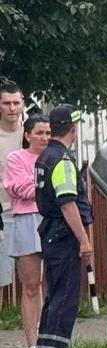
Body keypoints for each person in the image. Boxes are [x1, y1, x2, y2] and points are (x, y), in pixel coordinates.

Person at [31, 104, 93, 348]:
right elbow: (68, 205)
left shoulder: (44, 157)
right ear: (73, 129)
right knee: (65, 299)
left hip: (49, 233)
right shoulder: (63, 162)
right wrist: (84, 240)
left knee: (54, 297)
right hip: (64, 235)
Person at [2, 113, 50, 348]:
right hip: (26, 219)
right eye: (39, 133)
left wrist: (40, 187)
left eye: (48, 133)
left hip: (53, 218)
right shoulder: (16, 158)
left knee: (52, 282)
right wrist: (47, 187)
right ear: (27, 134)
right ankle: (32, 345)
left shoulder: (56, 157)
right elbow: (19, 187)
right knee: (30, 284)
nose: (44, 137)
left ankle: (50, 338)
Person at [0, 81, 26, 310]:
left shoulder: (31, 134)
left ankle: (36, 329)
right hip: (3, 214)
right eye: (6, 103)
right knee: (0, 278)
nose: (11, 108)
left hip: (29, 212)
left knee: (33, 279)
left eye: (16, 103)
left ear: (22, 103)